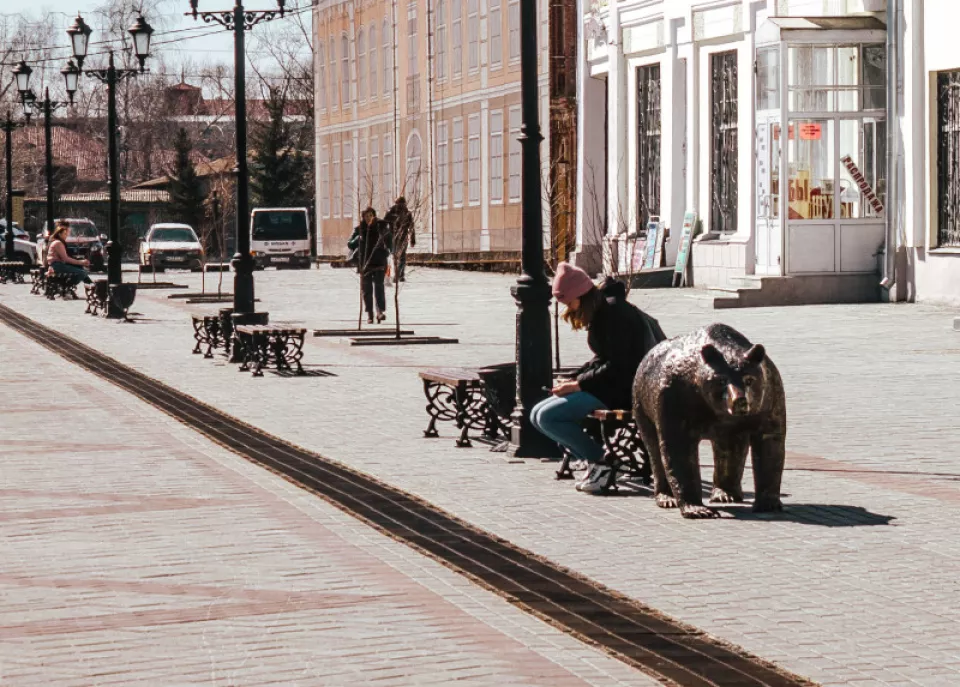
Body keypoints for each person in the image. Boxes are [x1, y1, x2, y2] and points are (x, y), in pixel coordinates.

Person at [530, 262, 666, 494]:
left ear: (580, 294)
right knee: (536, 414)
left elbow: (619, 364)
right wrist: (575, 377)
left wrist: (579, 384)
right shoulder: (604, 311)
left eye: (569, 302)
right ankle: (593, 460)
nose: (568, 309)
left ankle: (602, 462)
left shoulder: (613, 315)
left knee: (547, 417)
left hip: (624, 390)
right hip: (609, 386)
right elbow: (604, 358)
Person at [348, 207, 392, 323]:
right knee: (367, 290)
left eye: (370, 215)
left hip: (379, 262)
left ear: (374, 216)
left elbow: (390, 241)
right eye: (366, 216)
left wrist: (388, 251)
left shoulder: (381, 228)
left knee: (379, 288)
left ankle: (379, 312)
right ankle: (370, 315)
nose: (368, 218)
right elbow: (350, 244)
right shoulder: (359, 230)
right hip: (365, 264)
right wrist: (358, 238)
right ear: (363, 217)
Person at [46, 220, 92, 284]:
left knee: (80, 268)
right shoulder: (58, 242)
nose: (67, 235)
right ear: (59, 233)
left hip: (58, 263)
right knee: (82, 272)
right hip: (57, 265)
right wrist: (80, 262)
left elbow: (66, 255)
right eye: (65, 233)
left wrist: (79, 261)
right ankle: (67, 285)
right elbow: (65, 258)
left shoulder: (57, 240)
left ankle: (90, 284)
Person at [384, 196, 414, 282]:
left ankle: (398, 275)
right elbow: (411, 227)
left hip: (395, 237)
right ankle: (400, 275)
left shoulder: (392, 212)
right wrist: (412, 239)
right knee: (401, 257)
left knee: (396, 256)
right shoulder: (407, 213)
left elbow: (384, 222)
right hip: (401, 237)